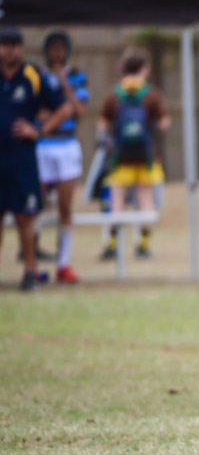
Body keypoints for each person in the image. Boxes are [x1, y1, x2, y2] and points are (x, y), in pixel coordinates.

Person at [0, 25, 71, 291]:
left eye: (14, 45)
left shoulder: (33, 75)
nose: (10, 50)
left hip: (21, 160)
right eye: (5, 45)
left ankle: (30, 272)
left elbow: (64, 108)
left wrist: (39, 129)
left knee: (25, 218)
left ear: (22, 48)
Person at [98, 48, 170, 259]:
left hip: (120, 158)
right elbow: (164, 122)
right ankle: (143, 245)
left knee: (117, 201)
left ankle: (112, 245)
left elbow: (103, 125)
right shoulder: (151, 94)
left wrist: (109, 141)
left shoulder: (114, 94)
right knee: (145, 199)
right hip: (146, 157)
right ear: (144, 69)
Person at [36, 30, 88, 283]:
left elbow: (78, 111)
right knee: (33, 205)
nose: (57, 53)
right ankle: (32, 263)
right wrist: (58, 113)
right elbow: (36, 113)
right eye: (53, 48)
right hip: (42, 146)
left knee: (65, 207)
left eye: (61, 48)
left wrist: (64, 85)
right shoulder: (36, 76)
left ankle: (63, 263)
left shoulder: (77, 76)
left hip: (66, 145)